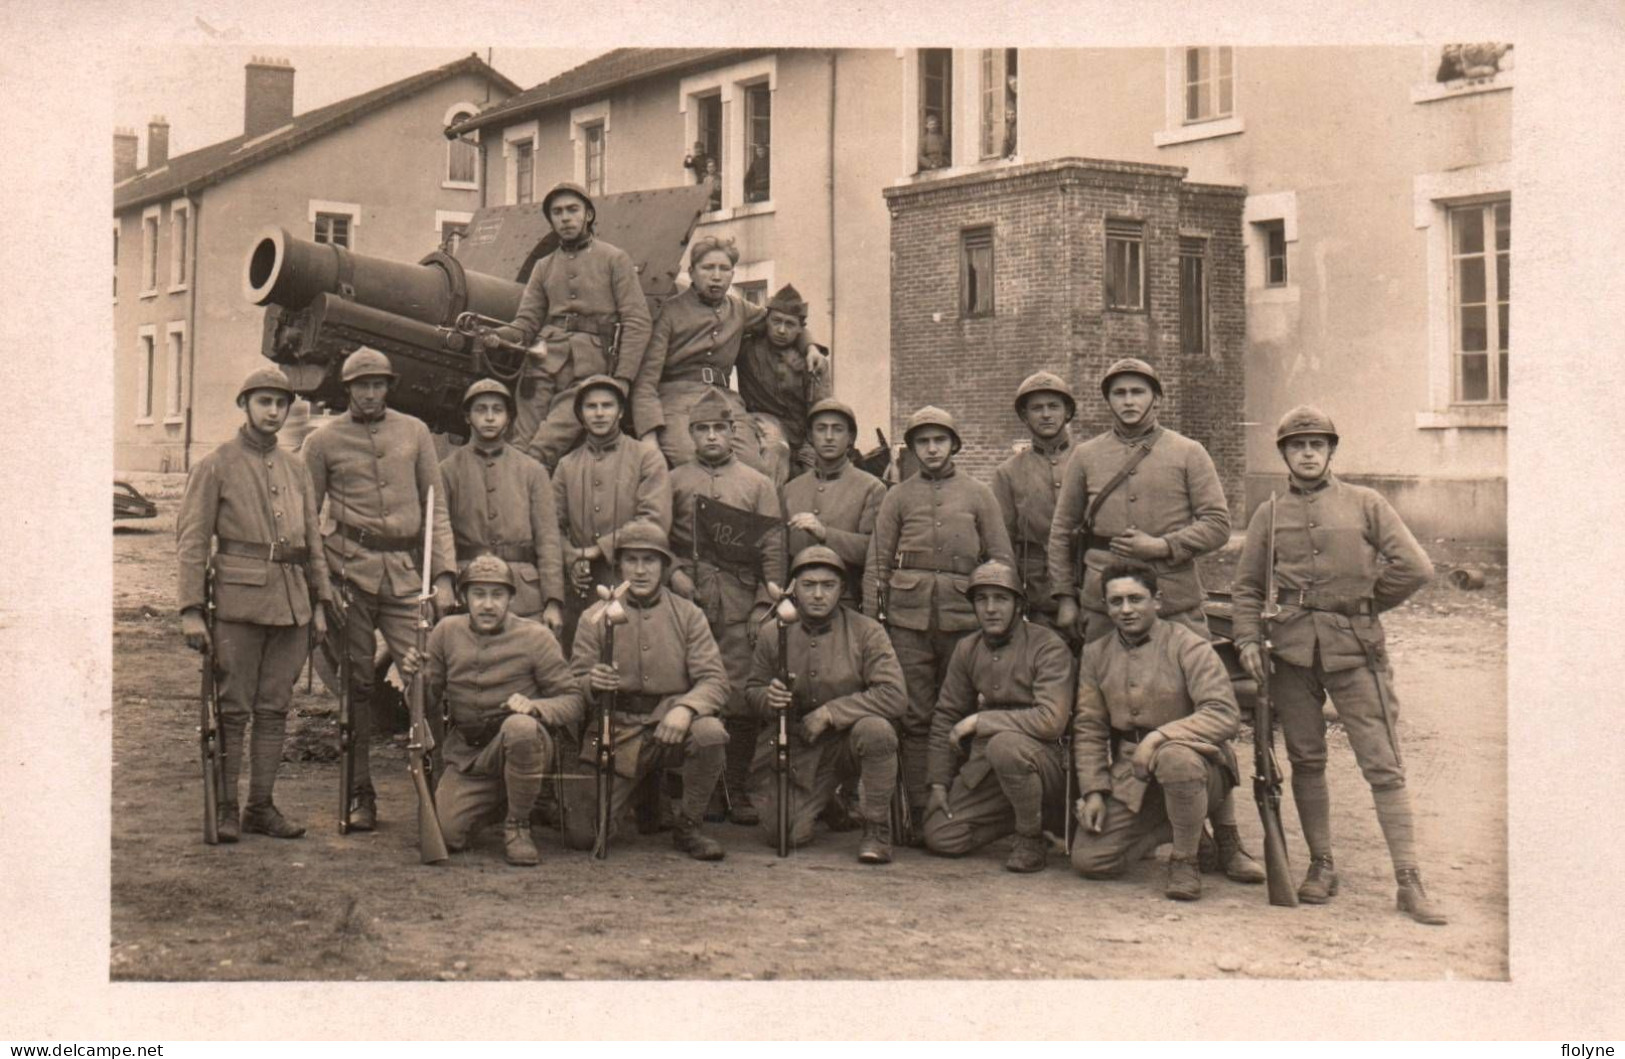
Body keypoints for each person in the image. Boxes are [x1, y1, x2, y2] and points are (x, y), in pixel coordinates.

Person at [1044, 356, 1262, 883]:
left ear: (1155, 397)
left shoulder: (1188, 452)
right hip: (1105, 601)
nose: (1129, 401)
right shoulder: (1087, 456)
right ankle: (1129, 808)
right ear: (1108, 400)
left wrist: (1162, 545)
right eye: (1118, 393)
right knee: (1108, 705)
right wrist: (1066, 597)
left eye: (1138, 391)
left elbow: (1217, 524)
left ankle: (1224, 833)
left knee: (1199, 706)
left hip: (1176, 598)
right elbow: (1062, 530)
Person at [1231, 406, 1446, 924]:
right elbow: (1246, 587)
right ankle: (1322, 865)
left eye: (1317, 444)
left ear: (1331, 451)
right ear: (1283, 453)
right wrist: (1246, 640)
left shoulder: (1365, 503)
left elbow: (1416, 567)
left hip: (1356, 653)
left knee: (1383, 763)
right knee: (1306, 760)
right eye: (1297, 445)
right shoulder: (1269, 512)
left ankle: (1409, 879)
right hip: (1290, 654)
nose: (1308, 453)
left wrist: (1365, 605)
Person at [304, 347, 457, 833]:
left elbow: (437, 509)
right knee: (358, 685)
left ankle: (437, 790)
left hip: (405, 574)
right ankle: (359, 793)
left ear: (389, 387)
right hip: (348, 572)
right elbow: (309, 520)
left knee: (426, 676)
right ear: (346, 389)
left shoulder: (414, 432)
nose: (369, 393)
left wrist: (445, 575)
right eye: (360, 385)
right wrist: (320, 587)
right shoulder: (323, 441)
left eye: (378, 384)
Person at [176, 367, 331, 841]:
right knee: (234, 707)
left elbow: (312, 542)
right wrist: (190, 610)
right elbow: (192, 540)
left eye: (280, 404)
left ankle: (260, 806)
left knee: (274, 707)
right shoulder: (216, 464)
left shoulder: (295, 466)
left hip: (292, 606)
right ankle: (225, 806)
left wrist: (320, 600)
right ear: (245, 405)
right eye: (263, 401)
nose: (273, 411)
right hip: (237, 605)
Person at [864, 405, 1015, 841]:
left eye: (940, 440)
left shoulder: (978, 494)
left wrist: (995, 614)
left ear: (953, 445)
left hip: (964, 621)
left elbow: (1001, 560)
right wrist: (875, 618)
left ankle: (954, 806)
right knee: (914, 715)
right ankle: (915, 810)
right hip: (907, 620)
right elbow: (877, 560)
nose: (932, 449)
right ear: (912, 448)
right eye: (923, 442)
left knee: (960, 714)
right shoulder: (897, 496)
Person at [1070, 563, 1243, 901]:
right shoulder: (1095, 654)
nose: (1126, 609)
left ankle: (1185, 860)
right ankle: (1179, 826)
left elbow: (1223, 713)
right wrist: (1093, 791)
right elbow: (1089, 728)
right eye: (1116, 601)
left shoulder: (1189, 646)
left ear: (1157, 601)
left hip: (1199, 767)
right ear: (1105, 606)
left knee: (1175, 758)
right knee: (1090, 860)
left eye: (1136, 599)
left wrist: (1158, 737)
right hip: (1132, 774)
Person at [396, 556, 583, 866]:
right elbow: (426, 703)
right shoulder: (445, 632)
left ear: (511, 598)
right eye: (478, 594)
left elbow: (573, 700)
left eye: (497, 595)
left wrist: (536, 707)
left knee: (520, 727)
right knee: (446, 835)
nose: (487, 604)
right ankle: (508, 799)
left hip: (524, 744)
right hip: (471, 756)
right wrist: (417, 680)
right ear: (463, 597)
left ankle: (518, 825)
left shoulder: (536, 637)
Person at [564, 521, 732, 860]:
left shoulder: (688, 615)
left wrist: (686, 709)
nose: (640, 570)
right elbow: (573, 683)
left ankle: (688, 825)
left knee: (710, 733)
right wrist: (591, 683)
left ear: (665, 566)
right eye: (631, 560)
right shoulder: (594, 617)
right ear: (618, 566)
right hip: (617, 728)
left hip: (668, 725)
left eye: (650, 561)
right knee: (583, 836)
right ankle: (645, 793)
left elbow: (715, 681)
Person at [668, 387, 787, 826]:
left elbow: (773, 549)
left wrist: (762, 606)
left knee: (738, 698)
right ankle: (696, 789)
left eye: (720, 428)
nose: (712, 437)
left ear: (733, 432)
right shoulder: (675, 480)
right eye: (703, 430)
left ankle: (734, 788)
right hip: (690, 600)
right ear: (691, 435)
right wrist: (676, 577)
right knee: (692, 689)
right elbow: (661, 541)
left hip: (740, 602)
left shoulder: (757, 484)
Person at [747, 546, 906, 861]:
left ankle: (876, 828)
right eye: (808, 585)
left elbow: (894, 694)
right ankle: (827, 800)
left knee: (877, 731)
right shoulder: (772, 632)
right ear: (794, 589)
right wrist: (770, 698)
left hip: (847, 740)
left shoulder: (867, 631)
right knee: (781, 834)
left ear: (842, 589)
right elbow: (752, 689)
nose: (818, 594)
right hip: (798, 743)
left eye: (828, 585)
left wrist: (832, 713)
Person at [922, 562, 1074, 872]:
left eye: (1001, 599)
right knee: (941, 835)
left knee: (1004, 746)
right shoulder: (968, 648)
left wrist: (980, 722)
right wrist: (938, 782)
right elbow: (946, 714)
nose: (991, 609)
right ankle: (1026, 815)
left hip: (1045, 761)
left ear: (1019, 604)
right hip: (991, 766)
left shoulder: (1047, 646)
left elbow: (1051, 720)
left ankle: (1030, 838)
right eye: (982, 599)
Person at [633, 236, 826, 470]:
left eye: (724, 269)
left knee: (751, 467)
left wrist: (811, 347)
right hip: (677, 401)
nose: (716, 276)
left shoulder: (739, 309)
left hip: (726, 402)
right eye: (708, 268)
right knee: (693, 464)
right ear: (692, 272)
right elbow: (646, 381)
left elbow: (782, 320)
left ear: (732, 275)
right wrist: (648, 435)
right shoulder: (669, 312)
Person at [496, 182, 653, 469]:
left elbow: (637, 321)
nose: (565, 218)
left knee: (543, 447)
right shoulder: (544, 266)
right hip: (542, 364)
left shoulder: (614, 259)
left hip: (590, 370)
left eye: (572, 210)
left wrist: (623, 378)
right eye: (557, 212)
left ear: (588, 215)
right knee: (519, 443)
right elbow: (526, 322)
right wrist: (496, 335)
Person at [550, 375, 672, 652]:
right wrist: (569, 555)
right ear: (580, 414)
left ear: (620, 411)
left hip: (634, 584)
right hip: (581, 589)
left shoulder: (646, 458)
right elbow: (550, 524)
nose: (600, 413)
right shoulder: (567, 465)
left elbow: (654, 521)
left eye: (607, 405)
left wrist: (596, 550)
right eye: (591, 407)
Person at [438, 379, 565, 634]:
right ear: (467, 417)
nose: (489, 417)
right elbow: (439, 532)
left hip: (523, 594)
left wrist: (553, 601)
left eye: (497, 410)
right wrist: (445, 582)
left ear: (508, 418)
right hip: (469, 588)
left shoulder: (532, 470)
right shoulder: (448, 470)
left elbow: (548, 539)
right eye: (480, 410)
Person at [991, 371, 1076, 641]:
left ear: (1067, 412)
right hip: (1037, 590)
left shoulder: (1090, 459)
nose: (1046, 415)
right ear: (1024, 416)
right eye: (1037, 408)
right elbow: (1002, 541)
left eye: (1054, 406)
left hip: (1089, 583)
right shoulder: (1009, 472)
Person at [782, 398, 886, 609]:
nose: (829, 437)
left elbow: (874, 551)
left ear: (851, 437)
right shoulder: (790, 489)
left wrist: (825, 534)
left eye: (837, 429)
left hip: (846, 602)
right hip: (796, 604)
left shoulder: (871, 488)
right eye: (821, 429)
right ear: (810, 436)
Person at [735, 283, 833, 487]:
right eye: (776, 321)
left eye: (789, 324)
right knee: (775, 448)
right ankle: (770, 511)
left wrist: (811, 446)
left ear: (800, 329)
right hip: (761, 423)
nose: (781, 330)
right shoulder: (748, 347)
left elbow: (821, 409)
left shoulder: (813, 361)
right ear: (766, 321)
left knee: (819, 476)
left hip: (802, 432)